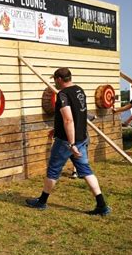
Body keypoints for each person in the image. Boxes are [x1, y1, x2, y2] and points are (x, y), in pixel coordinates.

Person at [26, 68, 111, 216]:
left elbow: (68, 119)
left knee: (53, 171)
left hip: (66, 142)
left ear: (59, 79)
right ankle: (102, 205)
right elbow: (80, 115)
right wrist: (57, 129)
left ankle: (42, 202)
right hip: (81, 138)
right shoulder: (79, 91)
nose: (54, 82)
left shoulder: (63, 95)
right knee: (86, 171)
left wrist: (71, 144)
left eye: (55, 79)